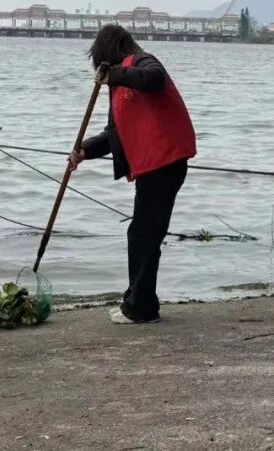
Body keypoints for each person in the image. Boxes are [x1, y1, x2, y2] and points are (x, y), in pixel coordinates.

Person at [68, 25, 196, 324]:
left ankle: (141, 308)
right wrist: (84, 150)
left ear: (108, 52)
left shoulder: (142, 62)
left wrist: (115, 74)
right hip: (152, 166)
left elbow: (155, 78)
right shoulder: (120, 84)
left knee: (144, 235)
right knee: (142, 234)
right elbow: (115, 135)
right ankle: (136, 300)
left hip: (166, 162)